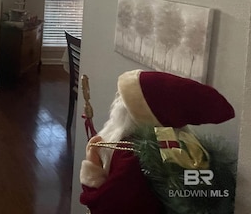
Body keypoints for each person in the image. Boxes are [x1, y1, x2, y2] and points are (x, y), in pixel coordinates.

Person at [80, 69, 235, 213]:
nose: (117, 103)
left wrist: (92, 168)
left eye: (122, 99)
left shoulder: (132, 156)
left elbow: (107, 206)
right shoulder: (184, 150)